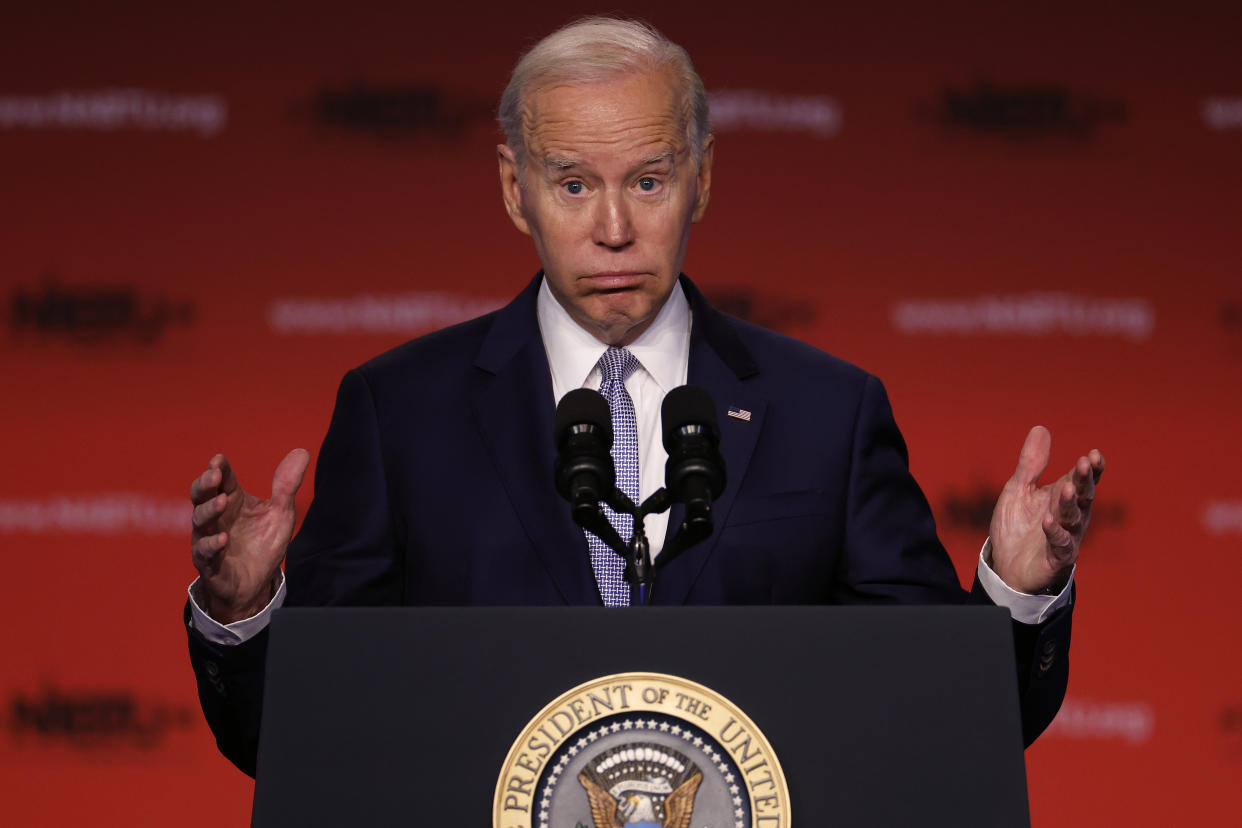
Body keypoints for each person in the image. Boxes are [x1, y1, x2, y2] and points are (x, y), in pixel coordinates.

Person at [185, 17, 1105, 777]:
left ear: (702, 178)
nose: (614, 228)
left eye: (648, 181)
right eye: (574, 183)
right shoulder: (401, 413)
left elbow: (942, 718)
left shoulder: (828, 412)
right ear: (516, 190)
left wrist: (1016, 594)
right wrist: (246, 614)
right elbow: (292, 741)